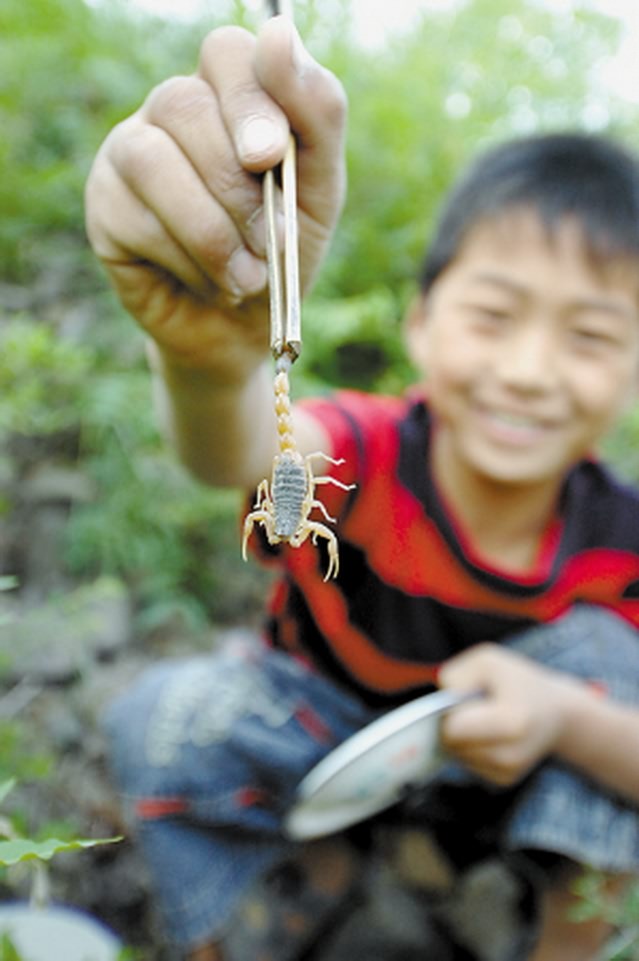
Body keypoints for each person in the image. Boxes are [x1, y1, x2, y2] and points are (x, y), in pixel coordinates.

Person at [85, 15, 639, 961]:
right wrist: (214, 369)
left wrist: (563, 718)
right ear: (420, 323)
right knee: (163, 713)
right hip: (317, 723)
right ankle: (277, 900)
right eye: (494, 316)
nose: (530, 371)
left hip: (497, 756)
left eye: (587, 336)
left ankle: (546, 932)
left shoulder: (617, 537)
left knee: (609, 657)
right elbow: (248, 458)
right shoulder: (361, 449)